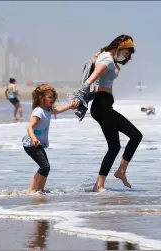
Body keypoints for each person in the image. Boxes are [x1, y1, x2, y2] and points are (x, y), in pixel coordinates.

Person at [72, 34, 143, 192]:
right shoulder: (107, 60)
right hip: (102, 105)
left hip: (103, 105)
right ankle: (120, 172)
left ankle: (100, 184)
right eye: (127, 51)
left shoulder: (106, 56)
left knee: (114, 146)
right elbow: (90, 79)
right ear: (120, 45)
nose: (128, 55)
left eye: (130, 53)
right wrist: (78, 97)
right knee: (136, 136)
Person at [22, 84, 75, 193]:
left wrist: (69, 106)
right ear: (41, 98)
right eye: (49, 97)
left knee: (46, 167)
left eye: (53, 97)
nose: (52, 99)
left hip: (37, 144)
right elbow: (29, 127)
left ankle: (40, 190)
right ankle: (31, 190)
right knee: (45, 166)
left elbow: (57, 110)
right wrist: (33, 139)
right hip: (31, 144)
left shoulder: (47, 110)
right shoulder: (39, 111)